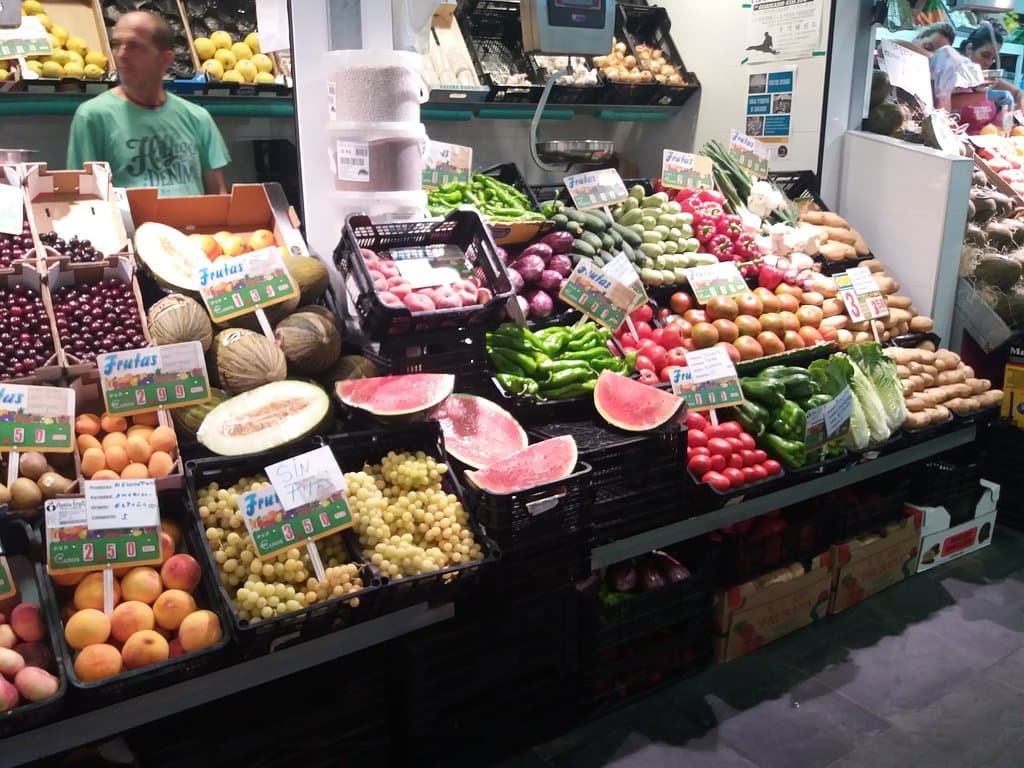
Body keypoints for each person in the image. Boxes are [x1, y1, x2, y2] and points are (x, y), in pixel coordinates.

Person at [67, 10, 229, 196]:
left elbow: (218, 196)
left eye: (134, 46)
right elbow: (83, 200)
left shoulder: (198, 118)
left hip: (193, 225)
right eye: (116, 44)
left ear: (165, 59)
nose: (121, 54)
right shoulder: (92, 117)